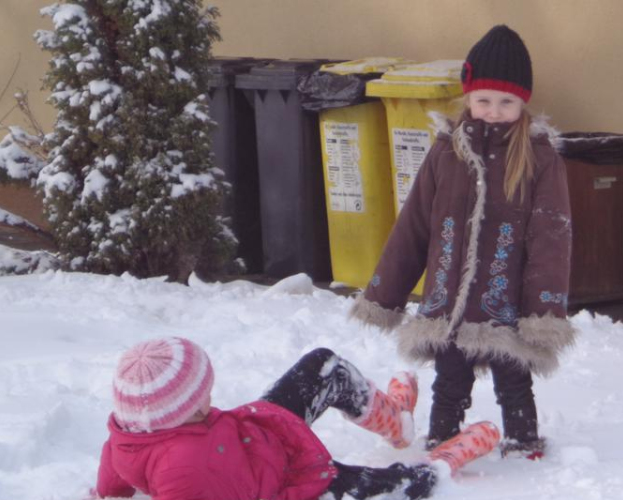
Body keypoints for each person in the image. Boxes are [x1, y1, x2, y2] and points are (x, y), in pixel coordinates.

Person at [349, 25, 575, 459]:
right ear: (468, 96)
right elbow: (413, 227)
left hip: (506, 300)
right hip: (449, 301)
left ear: (523, 103)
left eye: (506, 102)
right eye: (484, 99)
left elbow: (552, 236)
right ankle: (441, 443)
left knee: (514, 377)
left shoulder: (539, 157)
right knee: (449, 379)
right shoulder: (445, 152)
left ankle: (524, 445)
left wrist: (542, 310)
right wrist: (385, 294)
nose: (493, 111)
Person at [94, 337, 500, 500]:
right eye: (202, 397)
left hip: (261, 432)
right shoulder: (184, 471)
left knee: (324, 366)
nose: (211, 398)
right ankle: (440, 468)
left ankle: (399, 424)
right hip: (299, 483)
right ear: (176, 413)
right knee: (397, 487)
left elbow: (112, 481)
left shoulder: (130, 433)